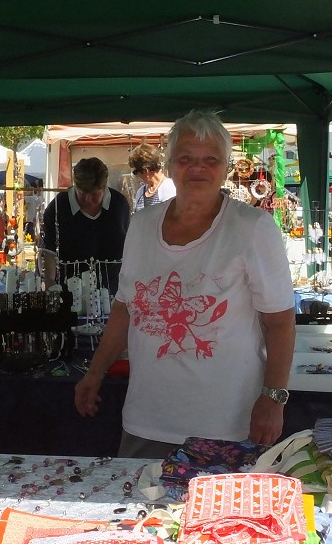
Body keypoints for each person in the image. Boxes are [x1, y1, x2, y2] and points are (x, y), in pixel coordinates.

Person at [74, 111, 295, 458]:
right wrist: (95, 372)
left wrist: (275, 396)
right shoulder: (142, 224)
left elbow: (279, 321)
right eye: (186, 158)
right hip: (146, 419)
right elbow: (124, 308)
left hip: (226, 424)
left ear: (225, 167)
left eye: (210, 160)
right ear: (171, 164)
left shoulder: (253, 228)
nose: (198, 168)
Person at [40, 157, 130, 296]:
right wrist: (49, 284)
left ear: (104, 187)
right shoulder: (58, 206)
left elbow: (129, 250)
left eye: (94, 194)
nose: (88, 200)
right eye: (82, 193)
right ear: (75, 185)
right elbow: (48, 251)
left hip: (113, 293)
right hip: (69, 293)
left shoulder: (119, 205)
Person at [127, 143, 176, 212]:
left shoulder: (170, 188)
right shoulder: (141, 191)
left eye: (135, 172)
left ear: (146, 170)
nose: (137, 176)